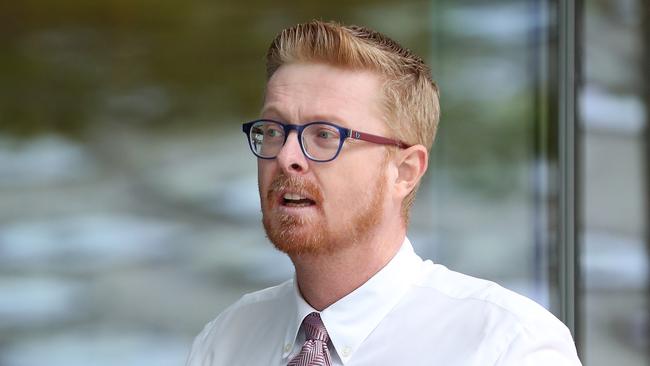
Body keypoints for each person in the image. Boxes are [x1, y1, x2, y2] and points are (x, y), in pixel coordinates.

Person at [185, 20, 582, 365]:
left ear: (404, 172)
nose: (288, 156)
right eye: (274, 130)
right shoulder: (225, 342)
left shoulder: (506, 347)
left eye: (325, 135)